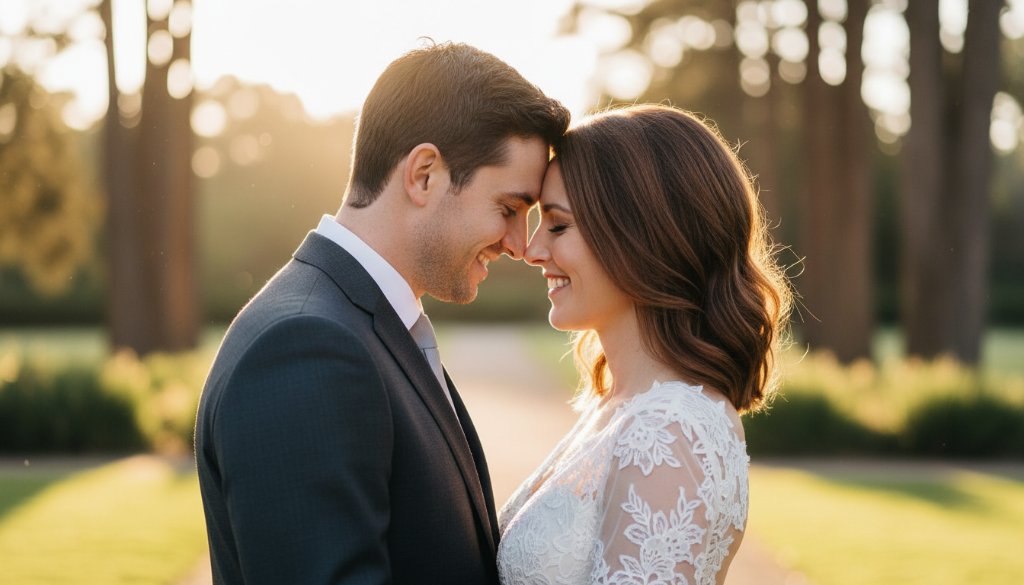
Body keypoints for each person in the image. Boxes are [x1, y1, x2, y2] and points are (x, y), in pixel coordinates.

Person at [194, 42, 570, 584]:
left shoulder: (367, 325)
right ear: (424, 175)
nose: (518, 243)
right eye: (508, 209)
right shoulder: (305, 349)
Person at [496, 104, 791, 585]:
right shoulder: (621, 406)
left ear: (639, 237)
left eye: (557, 225)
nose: (531, 250)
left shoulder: (670, 431)